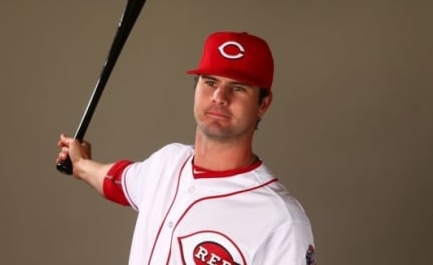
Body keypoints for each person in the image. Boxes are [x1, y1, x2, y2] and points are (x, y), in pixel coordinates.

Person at [56, 31, 316, 264]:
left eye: (238, 88)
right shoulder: (167, 162)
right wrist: (80, 164)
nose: (219, 98)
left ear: (263, 103)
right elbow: (118, 181)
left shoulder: (280, 220)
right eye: (210, 82)